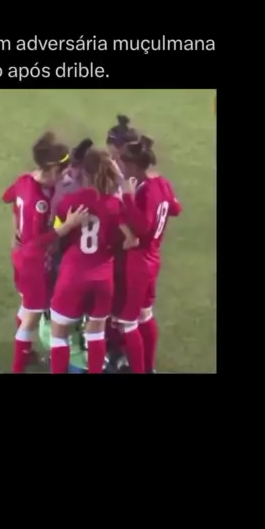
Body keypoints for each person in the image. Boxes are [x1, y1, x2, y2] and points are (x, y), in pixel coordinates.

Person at [2, 132, 89, 373]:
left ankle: (25, 352)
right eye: (59, 172)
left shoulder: (25, 180)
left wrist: (15, 230)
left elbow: (8, 197)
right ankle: (18, 365)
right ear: (49, 168)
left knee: (27, 308)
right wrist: (67, 227)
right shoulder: (38, 201)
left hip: (22, 257)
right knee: (31, 317)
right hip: (33, 263)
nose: (61, 177)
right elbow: (36, 243)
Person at [49, 147, 136, 374]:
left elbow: (55, 235)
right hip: (103, 277)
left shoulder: (70, 202)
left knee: (59, 334)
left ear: (84, 173)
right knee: (96, 333)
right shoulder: (116, 205)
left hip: (73, 274)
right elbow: (128, 240)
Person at [113, 135, 182, 373]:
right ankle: (148, 367)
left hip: (138, 262)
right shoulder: (161, 183)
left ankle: (139, 369)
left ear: (133, 166)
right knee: (145, 315)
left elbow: (143, 226)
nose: (121, 168)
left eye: (123, 164)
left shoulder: (145, 191)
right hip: (153, 258)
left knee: (128, 322)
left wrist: (128, 198)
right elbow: (176, 208)